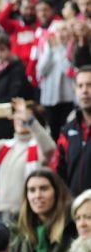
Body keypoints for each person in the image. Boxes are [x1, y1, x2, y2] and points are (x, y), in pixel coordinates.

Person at [0, 98, 57, 223]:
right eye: (18, 115)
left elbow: (50, 148)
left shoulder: (39, 147)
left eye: (24, 115)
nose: (21, 119)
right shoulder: (6, 146)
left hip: (29, 215)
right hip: (1, 213)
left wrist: (31, 121)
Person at [54, 66, 91, 196]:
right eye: (80, 86)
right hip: (74, 209)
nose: (85, 91)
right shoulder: (67, 130)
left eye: (89, 85)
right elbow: (59, 171)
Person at [37, 20, 77, 139]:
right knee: (52, 133)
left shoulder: (73, 48)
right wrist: (50, 50)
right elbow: (41, 71)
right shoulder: (46, 48)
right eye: (57, 31)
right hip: (49, 100)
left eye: (64, 30)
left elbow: (69, 70)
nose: (60, 34)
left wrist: (58, 49)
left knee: (67, 132)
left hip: (67, 100)